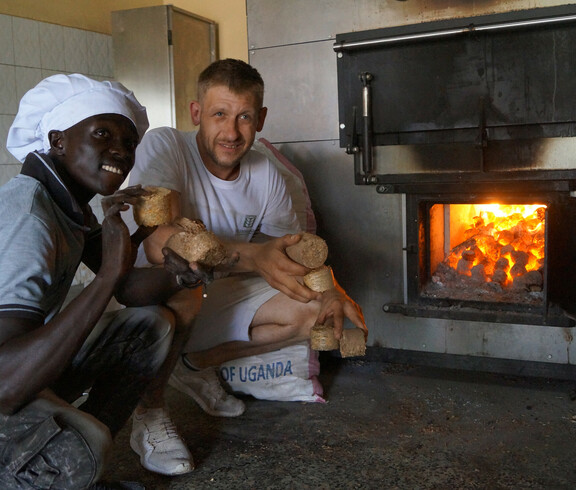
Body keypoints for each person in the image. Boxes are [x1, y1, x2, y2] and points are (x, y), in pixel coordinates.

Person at [128, 58, 367, 425]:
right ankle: (150, 412)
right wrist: (255, 256)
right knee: (186, 282)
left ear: (261, 119)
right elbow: (161, 244)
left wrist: (331, 288)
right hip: (161, 295)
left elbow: (291, 248)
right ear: (196, 112)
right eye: (219, 114)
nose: (232, 132)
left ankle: (191, 366)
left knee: (313, 310)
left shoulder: (265, 170)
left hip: (219, 292)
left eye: (244, 117)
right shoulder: (166, 145)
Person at [0, 74, 205, 488]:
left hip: (16, 373)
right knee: (82, 448)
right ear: (58, 141)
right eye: (102, 134)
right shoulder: (29, 218)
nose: (121, 151)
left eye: (129, 143)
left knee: (151, 325)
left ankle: (63, 453)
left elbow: (128, 291)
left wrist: (180, 275)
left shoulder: (69, 205)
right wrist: (109, 272)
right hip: (7, 379)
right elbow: (4, 383)